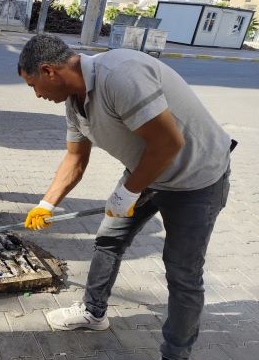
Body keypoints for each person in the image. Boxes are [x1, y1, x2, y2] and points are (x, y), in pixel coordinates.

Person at [19, 35, 233, 360]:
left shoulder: (120, 75)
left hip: (196, 179)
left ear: (49, 71)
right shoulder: (75, 104)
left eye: (34, 85)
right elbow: (75, 160)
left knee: (182, 272)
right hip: (146, 171)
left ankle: (175, 355)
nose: (36, 95)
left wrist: (127, 192)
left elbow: (168, 144)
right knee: (108, 239)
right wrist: (46, 203)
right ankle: (94, 313)